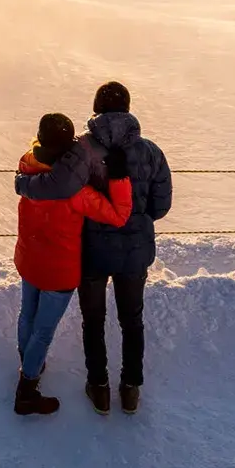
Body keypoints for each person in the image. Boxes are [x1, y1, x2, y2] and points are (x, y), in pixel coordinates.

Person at [10, 113, 131, 416]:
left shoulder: (27, 166)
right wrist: (118, 177)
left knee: (27, 315)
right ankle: (27, 388)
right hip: (58, 271)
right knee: (44, 330)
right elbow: (118, 215)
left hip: (28, 259)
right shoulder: (76, 192)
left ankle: (29, 362)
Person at [77, 81, 171, 415]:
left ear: (96, 109)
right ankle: (130, 390)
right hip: (134, 250)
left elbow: (68, 197)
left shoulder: (82, 150)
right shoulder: (151, 152)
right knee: (132, 320)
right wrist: (136, 218)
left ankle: (98, 388)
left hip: (92, 249)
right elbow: (160, 206)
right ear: (128, 110)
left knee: (93, 319)